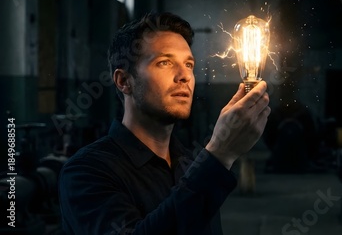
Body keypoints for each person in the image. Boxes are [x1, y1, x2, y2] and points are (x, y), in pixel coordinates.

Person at [58, 12, 271, 234]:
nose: (184, 76)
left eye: (189, 64)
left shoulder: (188, 164)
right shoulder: (86, 172)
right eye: (165, 62)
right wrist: (220, 154)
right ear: (124, 81)